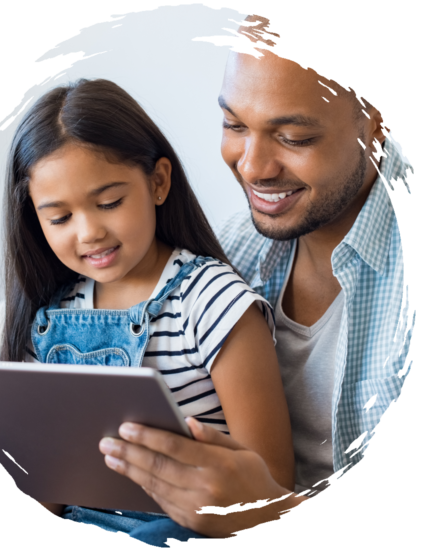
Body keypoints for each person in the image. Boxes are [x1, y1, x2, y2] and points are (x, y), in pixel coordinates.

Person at [97, 22, 421, 542]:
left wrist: (280, 523)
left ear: (379, 124)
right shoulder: (232, 251)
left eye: (294, 137)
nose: (252, 166)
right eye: (234, 125)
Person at [0, 78, 295, 545]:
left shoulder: (212, 300)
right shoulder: (53, 314)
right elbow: (46, 495)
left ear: (158, 183)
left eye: (110, 203)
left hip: (185, 530)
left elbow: (272, 484)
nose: (89, 232)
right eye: (60, 218)